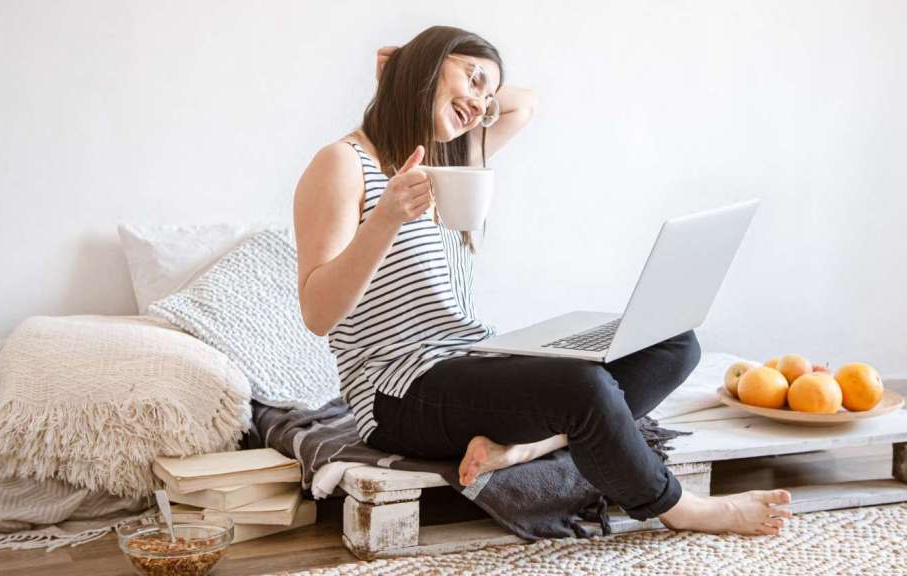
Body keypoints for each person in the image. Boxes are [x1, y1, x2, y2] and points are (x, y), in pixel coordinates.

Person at [293, 25, 792, 536]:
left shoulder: (452, 157)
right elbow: (317, 311)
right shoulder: (343, 163)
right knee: (582, 385)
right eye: (473, 76)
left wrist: (444, 78)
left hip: (471, 358)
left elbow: (522, 105)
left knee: (673, 342)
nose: (482, 104)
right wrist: (386, 217)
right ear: (432, 62)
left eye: (487, 94)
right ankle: (682, 507)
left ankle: (530, 446)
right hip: (397, 391)